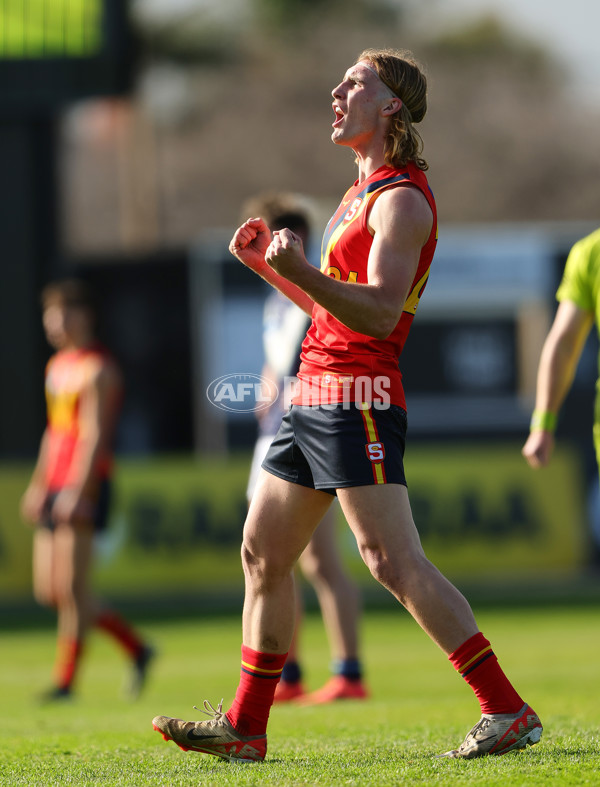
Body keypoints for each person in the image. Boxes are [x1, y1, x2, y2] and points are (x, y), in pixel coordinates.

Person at [153, 47, 542, 761]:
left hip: (357, 397)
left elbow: (381, 312)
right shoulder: (357, 193)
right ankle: (246, 725)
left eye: (356, 82)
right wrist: (274, 272)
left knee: (391, 561)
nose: (337, 90)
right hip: (314, 390)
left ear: (392, 104)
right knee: (262, 550)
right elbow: (334, 309)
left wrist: (301, 268)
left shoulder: (400, 196)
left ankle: (506, 707)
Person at [244, 191, 368, 704]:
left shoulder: (314, 285)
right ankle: (287, 676)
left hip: (309, 425)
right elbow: (281, 360)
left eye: (265, 233)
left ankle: (349, 672)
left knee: (324, 562)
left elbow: (324, 346)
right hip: (273, 433)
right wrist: (266, 382)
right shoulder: (276, 300)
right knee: (272, 558)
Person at [21, 279, 154, 702]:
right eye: (51, 317)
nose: (57, 325)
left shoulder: (98, 368)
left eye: (65, 315)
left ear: (85, 316)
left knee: (76, 589)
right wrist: (39, 484)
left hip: (85, 482)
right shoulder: (56, 367)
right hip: (57, 481)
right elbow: (53, 432)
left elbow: (95, 432)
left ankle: (66, 683)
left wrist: (79, 488)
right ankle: (137, 647)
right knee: (51, 590)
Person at [522, 228, 600, 472]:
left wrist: (543, 424)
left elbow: (565, 343)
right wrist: (542, 423)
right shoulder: (590, 253)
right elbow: (564, 342)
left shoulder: (591, 251)